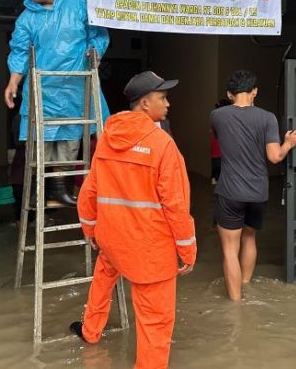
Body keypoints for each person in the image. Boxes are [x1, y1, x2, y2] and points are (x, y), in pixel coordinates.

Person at [70, 71, 197, 369]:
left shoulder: (107, 138)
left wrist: (90, 228)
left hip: (112, 238)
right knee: (155, 322)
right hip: (150, 252)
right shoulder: (163, 145)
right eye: (162, 98)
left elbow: (90, 190)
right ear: (143, 103)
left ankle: (90, 333)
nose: (167, 104)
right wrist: (187, 250)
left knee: (103, 279)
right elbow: (176, 205)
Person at [4, 0, 110, 206]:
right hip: (44, 90)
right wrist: (13, 83)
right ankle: (46, 189)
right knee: (43, 141)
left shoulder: (78, 5)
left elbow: (98, 34)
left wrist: (94, 54)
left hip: (75, 88)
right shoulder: (27, 18)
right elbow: (19, 51)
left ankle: (60, 188)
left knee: (70, 139)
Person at [210, 70, 296, 301]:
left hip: (230, 191)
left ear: (229, 94)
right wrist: (288, 143)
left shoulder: (217, 116)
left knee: (229, 250)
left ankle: (236, 302)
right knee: (249, 238)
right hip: (257, 191)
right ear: (255, 91)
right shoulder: (267, 118)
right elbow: (274, 157)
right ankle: (246, 284)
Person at [210, 98, 231, 185]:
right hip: (220, 147)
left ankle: (216, 178)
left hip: (218, 148)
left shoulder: (215, 115)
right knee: (219, 165)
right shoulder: (221, 117)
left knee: (217, 164)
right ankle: (216, 179)